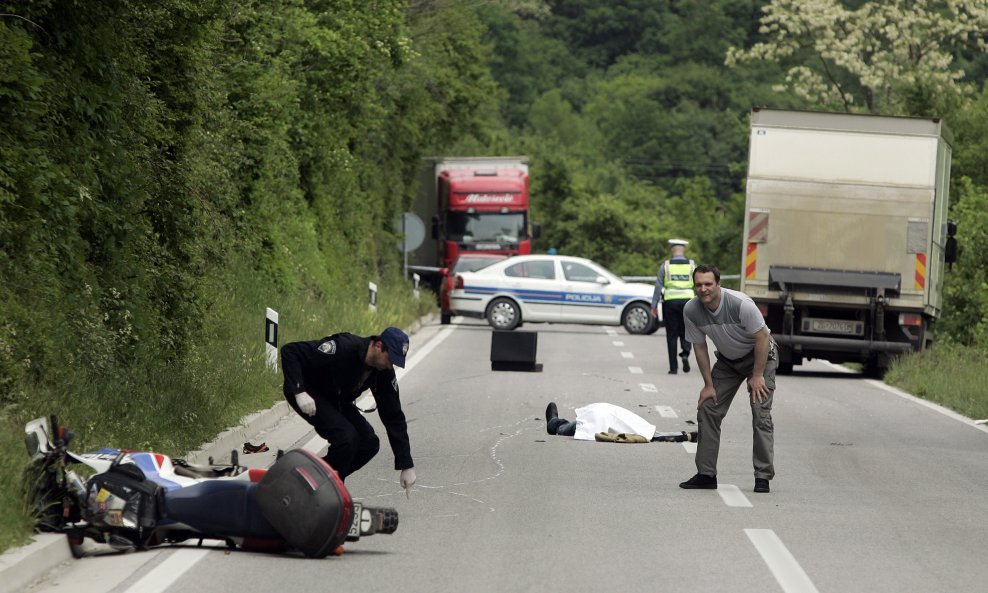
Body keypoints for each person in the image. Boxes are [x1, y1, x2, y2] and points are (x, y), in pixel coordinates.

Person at [281, 327, 416, 495]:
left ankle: (310, 479)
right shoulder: (345, 347)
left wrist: (406, 464)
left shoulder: (383, 372)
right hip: (309, 393)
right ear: (379, 345)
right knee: (346, 437)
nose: (391, 365)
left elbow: (393, 415)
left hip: (336, 399)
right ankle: (328, 488)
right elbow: (290, 351)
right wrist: (298, 390)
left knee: (369, 443)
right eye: (390, 359)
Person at [678, 264, 777, 493]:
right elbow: (700, 346)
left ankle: (762, 477)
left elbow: (762, 338)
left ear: (718, 284)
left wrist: (758, 375)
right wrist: (708, 385)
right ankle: (706, 475)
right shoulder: (691, 310)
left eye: (708, 284)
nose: (703, 289)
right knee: (708, 409)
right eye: (699, 285)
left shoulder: (740, 304)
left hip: (760, 358)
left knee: (760, 412)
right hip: (728, 362)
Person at [545, 402, 697, 442]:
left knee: (568, 426)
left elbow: (660, 436)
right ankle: (554, 422)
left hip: (600, 414)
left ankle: (554, 422)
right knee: (566, 427)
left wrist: (684, 435)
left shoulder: (641, 427)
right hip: (601, 416)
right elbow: (660, 436)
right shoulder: (643, 429)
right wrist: (684, 436)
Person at [651, 239, 695, 375]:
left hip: (670, 302)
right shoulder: (692, 266)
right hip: (688, 302)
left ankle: (673, 368)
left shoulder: (665, 266)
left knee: (671, 335)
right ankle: (686, 353)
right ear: (684, 251)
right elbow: (700, 284)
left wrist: (653, 306)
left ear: (672, 251)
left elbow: (658, 286)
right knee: (686, 331)